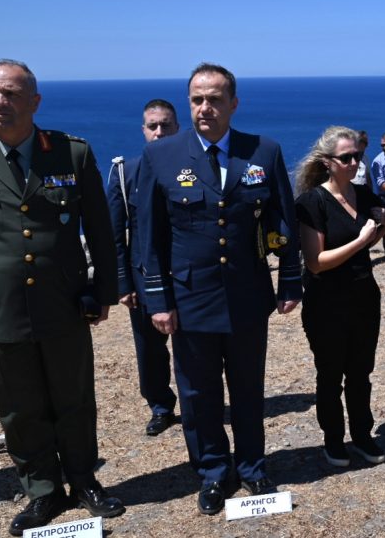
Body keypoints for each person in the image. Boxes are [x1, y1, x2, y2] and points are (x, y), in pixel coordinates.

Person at [0, 59, 124, 536]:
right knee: (18, 404)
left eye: (9, 93)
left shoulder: (71, 153)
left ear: (34, 101)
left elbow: (100, 230)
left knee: (73, 395)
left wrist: (104, 292)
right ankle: (42, 490)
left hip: (62, 300)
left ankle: (84, 481)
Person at [137, 63, 302, 514]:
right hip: (190, 297)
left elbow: (281, 220)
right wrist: (158, 299)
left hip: (247, 294)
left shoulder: (263, 151)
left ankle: (252, 466)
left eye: (214, 99)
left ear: (233, 103)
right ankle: (212, 471)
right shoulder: (162, 155)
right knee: (197, 392)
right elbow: (149, 235)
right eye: (197, 99)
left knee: (248, 387)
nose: (204, 108)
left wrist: (289, 279)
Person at [295, 126, 385, 467]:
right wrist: (361, 241)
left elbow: (374, 234)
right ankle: (334, 439)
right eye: (346, 157)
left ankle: (362, 435)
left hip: (364, 297)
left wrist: (384, 224)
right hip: (326, 303)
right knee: (330, 375)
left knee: (360, 373)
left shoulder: (363, 195)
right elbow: (316, 262)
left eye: (358, 156)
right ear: (327, 162)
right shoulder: (312, 202)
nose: (354, 163)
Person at [106, 99, 180, 436]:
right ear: (143, 130)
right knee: (149, 349)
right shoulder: (125, 173)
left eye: (166, 125)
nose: (159, 132)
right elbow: (114, 233)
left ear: (177, 129)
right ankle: (160, 406)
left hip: (185, 273)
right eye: (153, 126)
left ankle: (197, 403)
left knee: (193, 347)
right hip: (143, 276)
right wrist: (123, 283)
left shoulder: (193, 171)